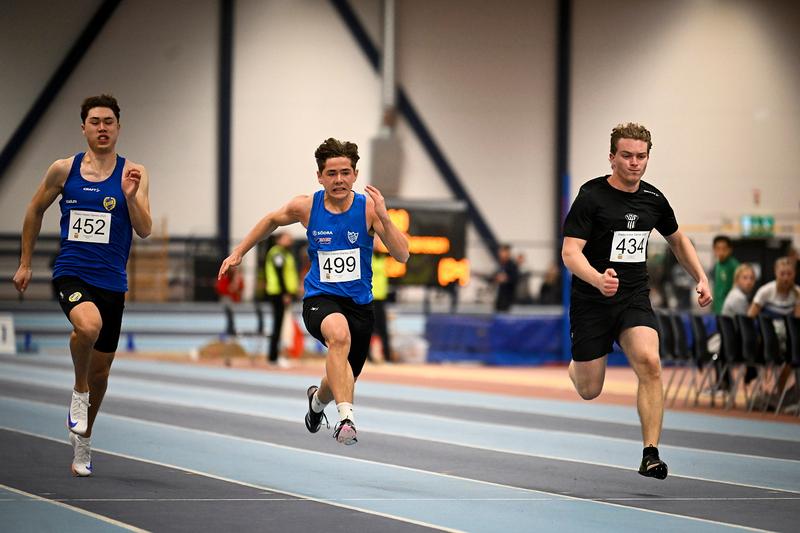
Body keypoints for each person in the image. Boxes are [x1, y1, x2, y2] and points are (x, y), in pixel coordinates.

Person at [218, 138, 409, 445]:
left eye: (345, 172)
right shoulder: (307, 206)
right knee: (339, 335)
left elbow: (402, 255)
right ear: (320, 176)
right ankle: (346, 417)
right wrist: (240, 251)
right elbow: (270, 220)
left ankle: (317, 403)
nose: (339, 180)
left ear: (355, 175)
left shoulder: (369, 209)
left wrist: (385, 217)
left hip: (360, 305)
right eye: (331, 173)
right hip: (320, 299)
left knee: (340, 379)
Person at [561, 123, 711, 480]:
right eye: (626, 156)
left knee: (650, 362)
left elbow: (678, 241)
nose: (634, 163)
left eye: (641, 156)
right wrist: (597, 279)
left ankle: (651, 454)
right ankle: (577, 365)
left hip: (633, 297)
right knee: (589, 389)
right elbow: (570, 252)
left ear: (648, 158)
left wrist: (701, 277)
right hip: (592, 300)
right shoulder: (591, 196)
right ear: (612, 157)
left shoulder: (654, 200)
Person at [12, 94, 152, 477]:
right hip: (71, 272)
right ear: (84, 128)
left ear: (118, 127)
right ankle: (78, 390)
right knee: (87, 326)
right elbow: (33, 209)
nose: (102, 127)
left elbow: (144, 229)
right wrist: (25, 263)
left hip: (112, 281)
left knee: (102, 373)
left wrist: (129, 197)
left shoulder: (134, 172)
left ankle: (84, 442)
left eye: (109, 121)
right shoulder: (63, 169)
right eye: (95, 121)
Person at [264, 232, 298, 367]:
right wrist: (285, 293)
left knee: (281, 324)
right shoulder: (276, 253)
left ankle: (276, 356)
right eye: (287, 238)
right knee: (278, 325)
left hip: (283, 293)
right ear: (279, 240)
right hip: (278, 293)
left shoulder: (286, 253)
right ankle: (273, 357)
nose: (290, 240)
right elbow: (279, 275)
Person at [371, 245, 392, 362]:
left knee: (383, 330)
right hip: (370, 299)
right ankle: (367, 357)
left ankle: (388, 357)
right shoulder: (369, 258)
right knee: (368, 330)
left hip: (381, 300)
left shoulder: (384, 259)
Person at [711, 235, 739, 316]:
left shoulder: (735, 266)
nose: (721, 252)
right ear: (714, 249)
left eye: (724, 249)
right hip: (717, 308)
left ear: (730, 250)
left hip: (729, 311)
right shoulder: (717, 265)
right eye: (718, 249)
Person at [493, 244, 519, 312]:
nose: (500, 254)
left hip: (507, 301)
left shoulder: (512, 266)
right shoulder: (501, 266)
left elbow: (515, 279)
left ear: (507, 253)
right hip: (500, 301)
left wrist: (505, 279)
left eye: (502, 252)